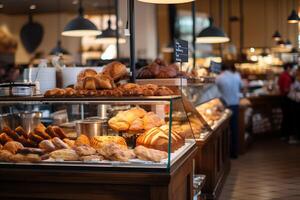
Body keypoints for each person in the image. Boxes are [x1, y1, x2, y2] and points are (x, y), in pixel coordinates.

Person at [216, 61, 243, 159]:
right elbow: (242, 88)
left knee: (224, 131)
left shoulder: (219, 77)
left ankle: (224, 154)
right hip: (235, 105)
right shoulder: (236, 76)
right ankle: (234, 152)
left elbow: (214, 90)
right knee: (234, 129)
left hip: (224, 106)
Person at [278, 63, 293, 141]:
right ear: (288, 68)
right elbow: (286, 89)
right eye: (291, 68)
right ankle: (286, 135)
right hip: (286, 98)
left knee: (285, 117)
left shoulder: (281, 75)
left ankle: (283, 135)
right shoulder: (286, 77)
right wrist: (293, 90)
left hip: (282, 98)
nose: (291, 69)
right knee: (287, 117)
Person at [287, 68, 300, 144]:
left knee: (296, 119)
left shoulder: (294, 79)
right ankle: (296, 137)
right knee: (296, 119)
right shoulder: (296, 80)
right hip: (296, 101)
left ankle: (296, 136)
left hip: (295, 101)